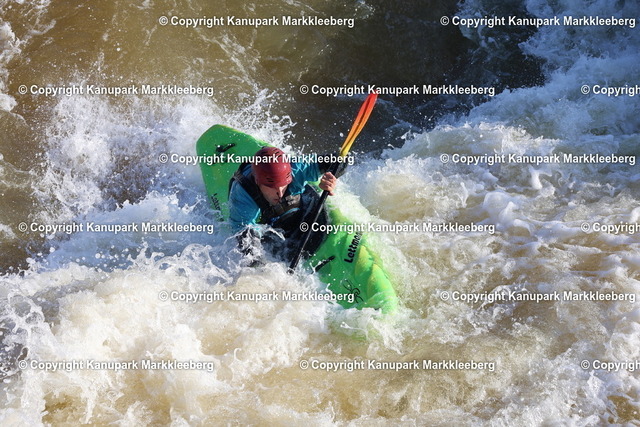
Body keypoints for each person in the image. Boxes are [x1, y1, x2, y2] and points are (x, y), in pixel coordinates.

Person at [228, 147, 344, 262]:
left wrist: (331, 177)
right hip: (267, 226)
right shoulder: (243, 196)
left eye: (283, 184)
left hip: (297, 212)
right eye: (272, 187)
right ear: (258, 182)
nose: (279, 193)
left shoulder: (296, 168)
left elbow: (340, 160)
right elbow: (244, 239)